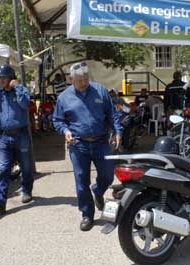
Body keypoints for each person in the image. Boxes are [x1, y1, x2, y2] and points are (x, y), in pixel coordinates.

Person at [53, 62, 123, 231]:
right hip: (78, 145)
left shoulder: (100, 91)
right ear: (71, 79)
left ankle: (98, 190)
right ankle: (87, 214)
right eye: (79, 80)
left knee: (108, 175)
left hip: (101, 142)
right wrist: (65, 131)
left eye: (85, 79)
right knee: (81, 181)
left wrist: (118, 132)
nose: (83, 83)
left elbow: (112, 114)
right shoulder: (64, 97)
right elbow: (58, 120)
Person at [0, 64, 34, 214]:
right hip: (4, 136)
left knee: (26, 166)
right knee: (3, 169)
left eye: (4, 77)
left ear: (11, 78)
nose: (1, 80)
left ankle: (27, 190)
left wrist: (17, 87)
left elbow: (26, 103)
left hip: (21, 134)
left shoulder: (20, 90)